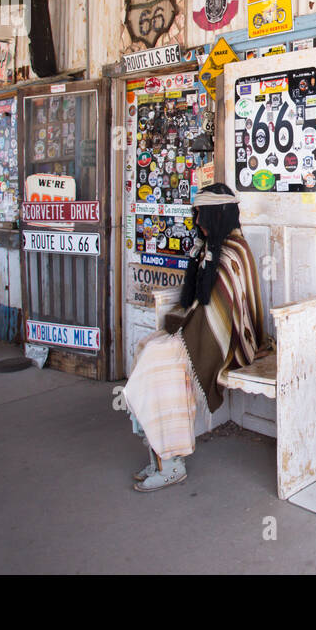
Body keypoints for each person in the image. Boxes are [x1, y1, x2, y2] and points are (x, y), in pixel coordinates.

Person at [122, 184, 266, 491]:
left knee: (161, 365)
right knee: (145, 349)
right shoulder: (209, 248)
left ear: (216, 215)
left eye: (202, 213)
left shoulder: (232, 253)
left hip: (228, 344)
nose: (197, 220)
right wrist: (196, 260)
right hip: (197, 332)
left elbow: (218, 310)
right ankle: (159, 452)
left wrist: (211, 261)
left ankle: (173, 462)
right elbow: (191, 299)